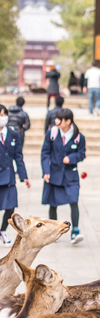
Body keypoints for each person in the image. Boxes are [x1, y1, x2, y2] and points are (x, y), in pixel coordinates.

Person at [41, 108, 86, 244]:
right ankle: (54, 232)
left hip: (70, 175)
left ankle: (75, 231)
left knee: (74, 201)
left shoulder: (79, 137)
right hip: (54, 173)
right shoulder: (52, 133)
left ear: (68, 121)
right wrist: (45, 171)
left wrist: (71, 158)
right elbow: (45, 153)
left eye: (59, 119)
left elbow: (82, 154)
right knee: (53, 204)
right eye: (56, 118)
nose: (56, 121)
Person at [0, 105, 30, 247]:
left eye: (4, 114)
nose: (3, 118)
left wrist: (24, 176)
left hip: (9, 175)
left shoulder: (12, 134)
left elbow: (18, 156)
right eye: (1, 115)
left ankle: (3, 230)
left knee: (10, 206)